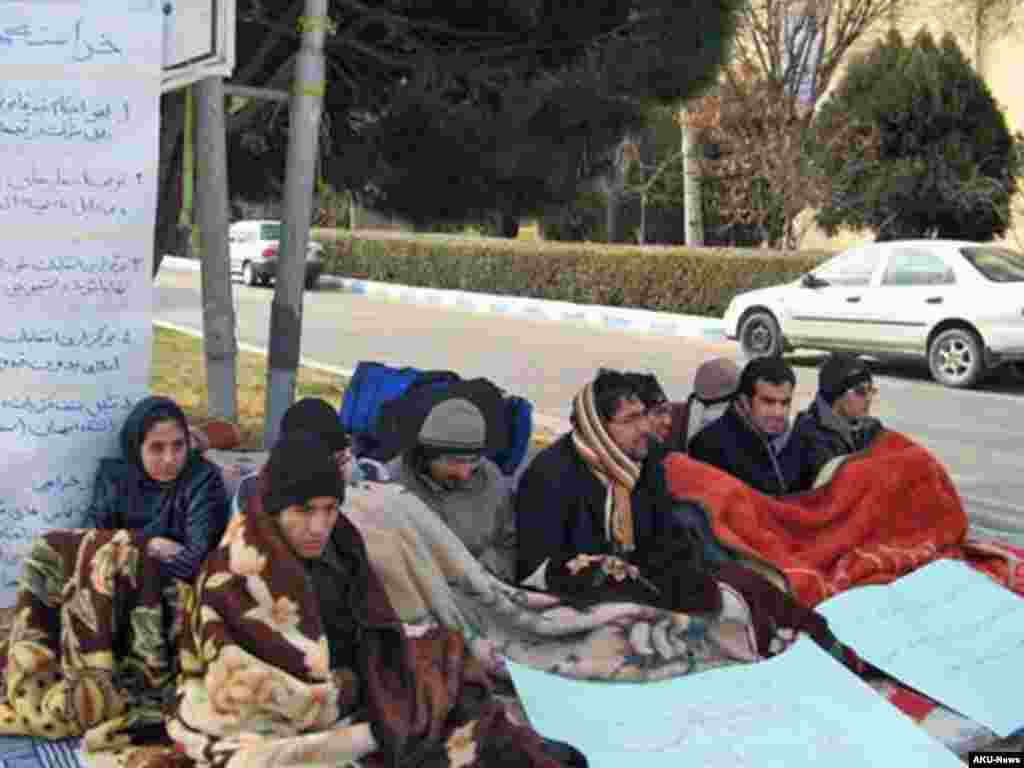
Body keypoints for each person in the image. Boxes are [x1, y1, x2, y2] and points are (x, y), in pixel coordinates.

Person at [164, 431, 577, 768]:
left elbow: (375, 626)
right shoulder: (235, 571)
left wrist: (380, 673)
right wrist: (357, 687)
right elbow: (248, 689)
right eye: (305, 510)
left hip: (348, 682)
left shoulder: (341, 546)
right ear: (274, 509)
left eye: (329, 509)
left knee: (447, 658)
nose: (319, 525)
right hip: (277, 707)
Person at [514, 370, 720, 614]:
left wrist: (675, 578)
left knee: (707, 595)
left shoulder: (644, 462)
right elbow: (536, 568)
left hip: (637, 585)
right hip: (575, 599)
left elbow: (666, 538)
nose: (644, 427)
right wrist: (609, 573)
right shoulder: (551, 475)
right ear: (597, 428)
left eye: (643, 415)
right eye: (630, 420)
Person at [83, 395, 229, 582]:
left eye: (178, 445)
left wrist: (124, 547)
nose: (169, 458)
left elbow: (198, 563)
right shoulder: (114, 478)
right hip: (116, 587)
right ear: (136, 448)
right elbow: (90, 541)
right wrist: (149, 544)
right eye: (157, 448)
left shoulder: (202, 479)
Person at [388, 395, 516, 581]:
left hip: (482, 593)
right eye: (454, 461)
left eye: (472, 461)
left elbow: (508, 544)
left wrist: (482, 570)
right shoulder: (391, 484)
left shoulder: (491, 478)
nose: (464, 473)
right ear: (428, 455)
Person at [688, 357, 814, 496]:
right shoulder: (708, 446)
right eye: (768, 402)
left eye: (785, 403)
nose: (778, 413)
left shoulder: (799, 441)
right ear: (744, 401)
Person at [794, 353, 885, 484]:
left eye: (871, 390)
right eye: (861, 392)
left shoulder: (871, 427)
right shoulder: (809, 435)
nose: (869, 398)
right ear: (836, 394)